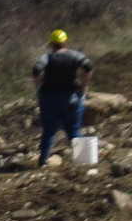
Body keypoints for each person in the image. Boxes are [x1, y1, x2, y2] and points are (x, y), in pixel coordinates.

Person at [33, 29, 93, 167]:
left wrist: (38, 88)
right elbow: (88, 67)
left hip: (49, 98)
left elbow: (36, 70)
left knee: (49, 131)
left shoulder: (46, 58)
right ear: (65, 42)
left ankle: (42, 162)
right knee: (74, 130)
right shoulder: (75, 55)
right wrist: (84, 86)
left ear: (51, 43)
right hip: (71, 98)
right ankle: (85, 161)